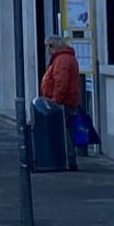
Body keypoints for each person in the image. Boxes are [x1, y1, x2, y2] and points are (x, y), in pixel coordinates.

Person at [41, 37, 83, 165]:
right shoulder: (64, 58)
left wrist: (55, 101)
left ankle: (68, 160)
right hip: (66, 100)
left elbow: (61, 83)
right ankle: (66, 159)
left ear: (54, 46)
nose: (47, 50)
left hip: (63, 102)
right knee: (65, 130)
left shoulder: (62, 60)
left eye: (48, 46)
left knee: (63, 132)